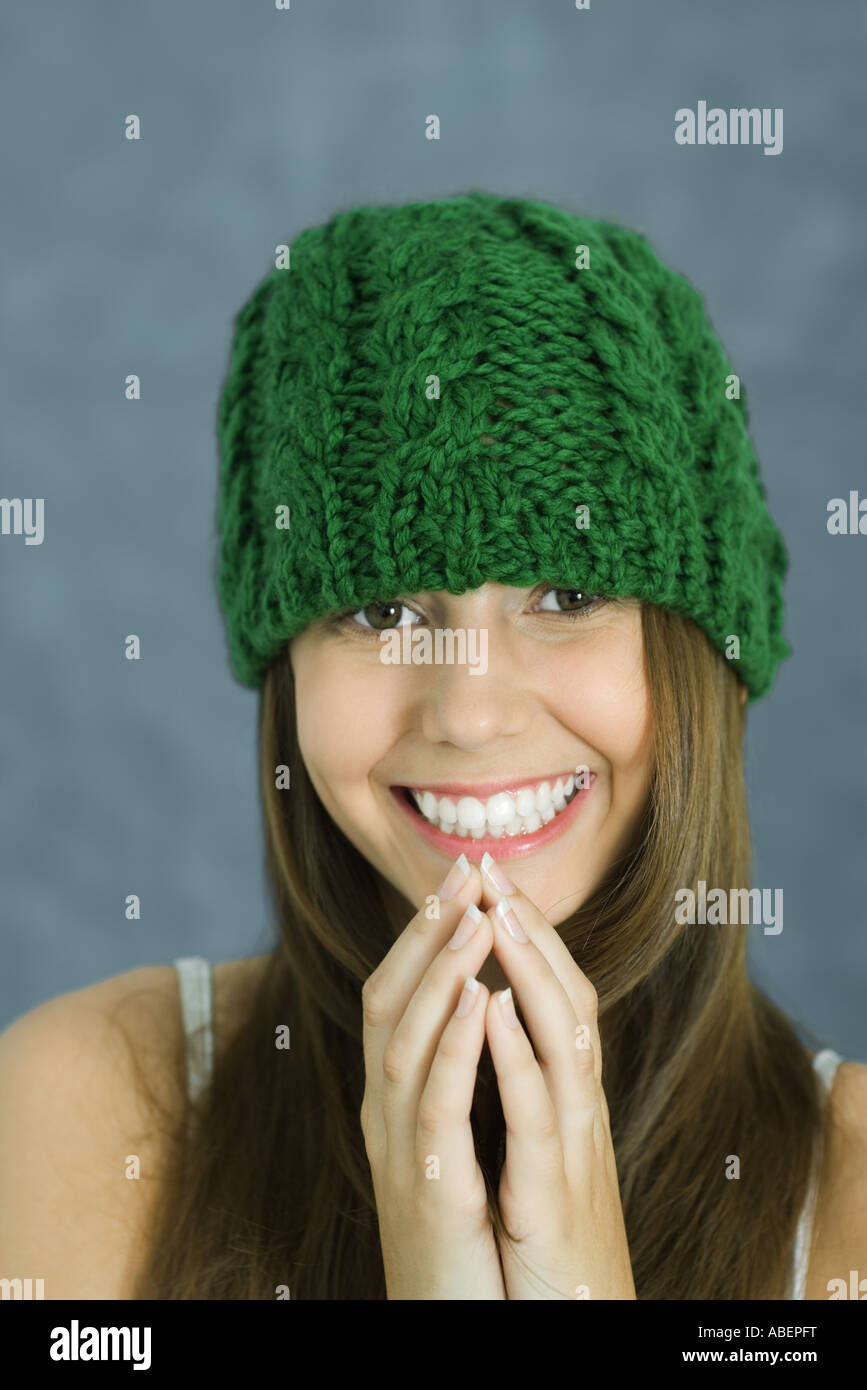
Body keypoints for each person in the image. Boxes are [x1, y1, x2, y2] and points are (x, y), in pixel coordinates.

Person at [1, 192, 864, 1300]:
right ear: (286, 671)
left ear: (703, 651)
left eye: (570, 590)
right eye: (376, 612)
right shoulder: (84, 1116)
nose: (467, 713)